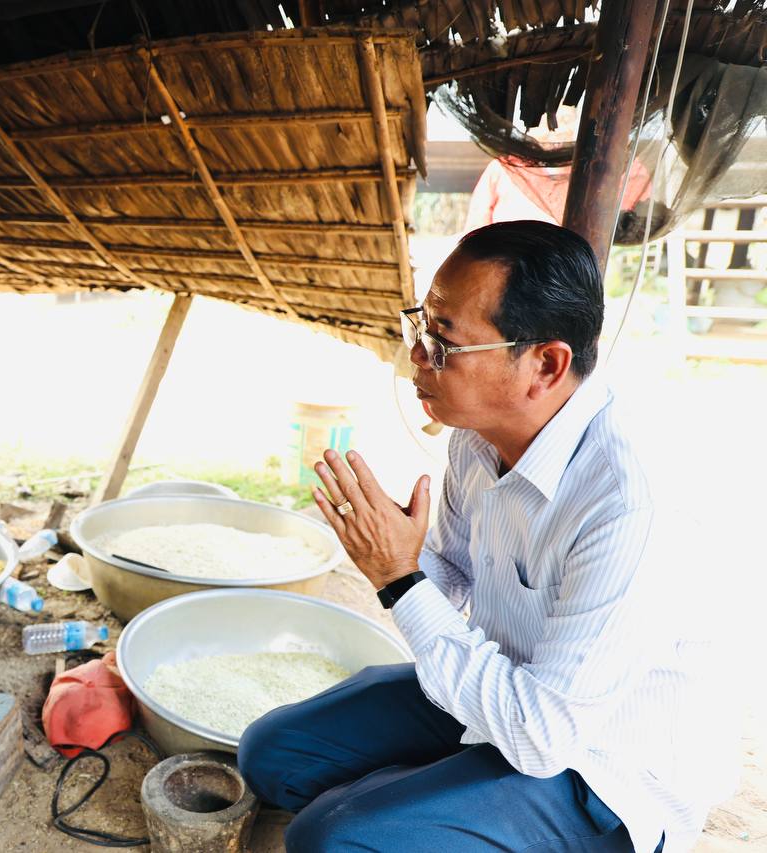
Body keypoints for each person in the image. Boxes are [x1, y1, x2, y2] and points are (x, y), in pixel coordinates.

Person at [238, 221, 736, 851]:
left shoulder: (630, 506)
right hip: (501, 691)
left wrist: (399, 577)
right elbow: (450, 576)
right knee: (273, 754)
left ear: (545, 364)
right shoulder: (477, 438)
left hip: (600, 768)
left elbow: (541, 736)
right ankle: (435, 801)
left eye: (444, 343)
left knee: (331, 838)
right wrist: (400, 552)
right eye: (421, 328)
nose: (418, 358)